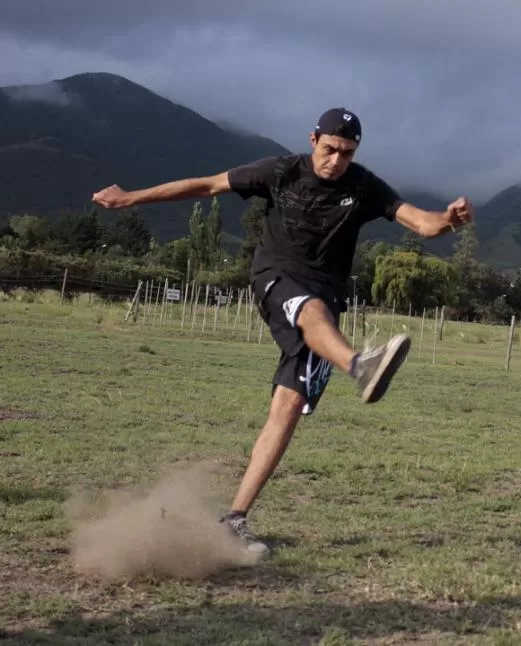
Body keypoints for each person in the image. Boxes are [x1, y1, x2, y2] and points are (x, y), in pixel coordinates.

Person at [92, 107, 474, 556]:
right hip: (276, 278)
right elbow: (207, 184)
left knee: (289, 405)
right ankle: (358, 364)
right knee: (309, 309)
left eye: (346, 153)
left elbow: (422, 222)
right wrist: (130, 198)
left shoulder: (364, 185)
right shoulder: (279, 172)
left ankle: (234, 519)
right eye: (330, 149)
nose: (336, 160)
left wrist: (450, 219)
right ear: (313, 139)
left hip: (327, 301)